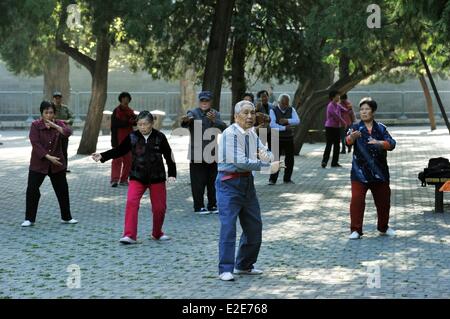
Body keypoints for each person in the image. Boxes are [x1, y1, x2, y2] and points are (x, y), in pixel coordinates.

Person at [216, 100, 282, 281]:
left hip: (246, 183)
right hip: (228, 184)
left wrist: (267, 158)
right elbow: (240, 161)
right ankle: (225, 269)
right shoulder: (229, 134)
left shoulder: (252, 133)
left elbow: (267, 153)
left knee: (254, 226)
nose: (250, 116)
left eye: (252, 112)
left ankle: (244, 265)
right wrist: (267, 167)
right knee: (228, 227)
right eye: (245, 113)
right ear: (236, 116)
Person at [92, 111, 176, 244]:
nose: (142, 127)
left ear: (152, 123)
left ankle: (157, 233)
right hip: (137, 176)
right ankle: (130, 235)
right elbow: (120, 150)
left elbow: (169, 155)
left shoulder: (160, 137)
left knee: (159, 208)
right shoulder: (132, 137)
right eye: (139, 124)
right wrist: (103, 155)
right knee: (131, 202)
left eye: (145, 124)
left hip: (157, 177)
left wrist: (172, 174)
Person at [346, 98, 396, 240]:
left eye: (367, 109)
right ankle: (355, 230)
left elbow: (392, 144)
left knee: (384, 202)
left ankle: (383, 227)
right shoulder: (355, 127)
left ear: (373, 111)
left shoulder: (381, 128)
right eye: (361, 109)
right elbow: (347, 141)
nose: (364, 112)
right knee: (356, 200)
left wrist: (380, 143)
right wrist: (352, 138)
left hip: (380, 173)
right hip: (359, 173)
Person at [21, 101, 78, 227]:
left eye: (51, 112)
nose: (48, 115)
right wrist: (48, 157)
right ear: (41, 113)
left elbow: (68, 132)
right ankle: (29, 219)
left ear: (54, 113)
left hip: (57, 164)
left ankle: (66, 217)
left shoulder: (59, 124)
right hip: (39, 163)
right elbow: (35, 143)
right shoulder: (35, 125)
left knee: (62, 190)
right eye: (46, 112)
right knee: (32, 189)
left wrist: (55, 126)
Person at [181, 91, 227, 215]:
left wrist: (214, 120)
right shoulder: (193, 113)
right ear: (199, 101)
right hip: (197, 154)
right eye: (202, 101)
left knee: (213, 181)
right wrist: (186, 120)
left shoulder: (215, 113)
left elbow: (224, 128)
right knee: (198, 182)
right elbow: (185, 122)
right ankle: (199, 206)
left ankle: (212, 205)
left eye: (206, 101)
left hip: (212, 153)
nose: (204, 103)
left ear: (210, 102)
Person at [268, 93, 300, 185]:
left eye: (287, 104)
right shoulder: (273, 110)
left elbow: (297, 120)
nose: (285, 106)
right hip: (275, 137)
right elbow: (272, 125)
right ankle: (272, 179)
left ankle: (287, 178)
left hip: (288, 138)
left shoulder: (291, 109)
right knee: (275, 159)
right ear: (279, 102)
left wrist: (287, 121)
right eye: (283, 103)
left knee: (290, 159)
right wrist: (285, 128)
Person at [110, 92, 137, 187]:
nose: (126, 100)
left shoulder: (130, 111)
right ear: (121, 100)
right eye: (124, 98)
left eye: (127, 99)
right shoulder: (116, 111)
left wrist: (138, 120)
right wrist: (128, 122)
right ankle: (114, 180)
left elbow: (135, 122)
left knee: (128, 160)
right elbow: (115, 125)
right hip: (118, 140)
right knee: (117, 159)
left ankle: (124, 179)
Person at [321, 90, 349, 168]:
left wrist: (348, 108)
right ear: (333, 97)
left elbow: (345, 110)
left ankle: (334, 162)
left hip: (336, 128)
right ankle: (324, 161)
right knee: (329, 144)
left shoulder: (338, 105)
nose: (339, 97)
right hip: (330, 127)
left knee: (337, 145)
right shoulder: (330, 106)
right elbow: (336, 116)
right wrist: (344, 122)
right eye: (337, 95)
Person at [52, 91, 75, 173]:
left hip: (64, 133)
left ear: (61, 99)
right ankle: (54, 168)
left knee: (64, 151)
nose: (57, 99)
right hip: (53, 133)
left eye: (59, 98)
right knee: (54, 150)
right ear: (53, 98)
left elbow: (72, 118)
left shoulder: (65, 108)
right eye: (56, 98)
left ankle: (64, 168)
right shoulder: (51, 108)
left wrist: (67, 121)